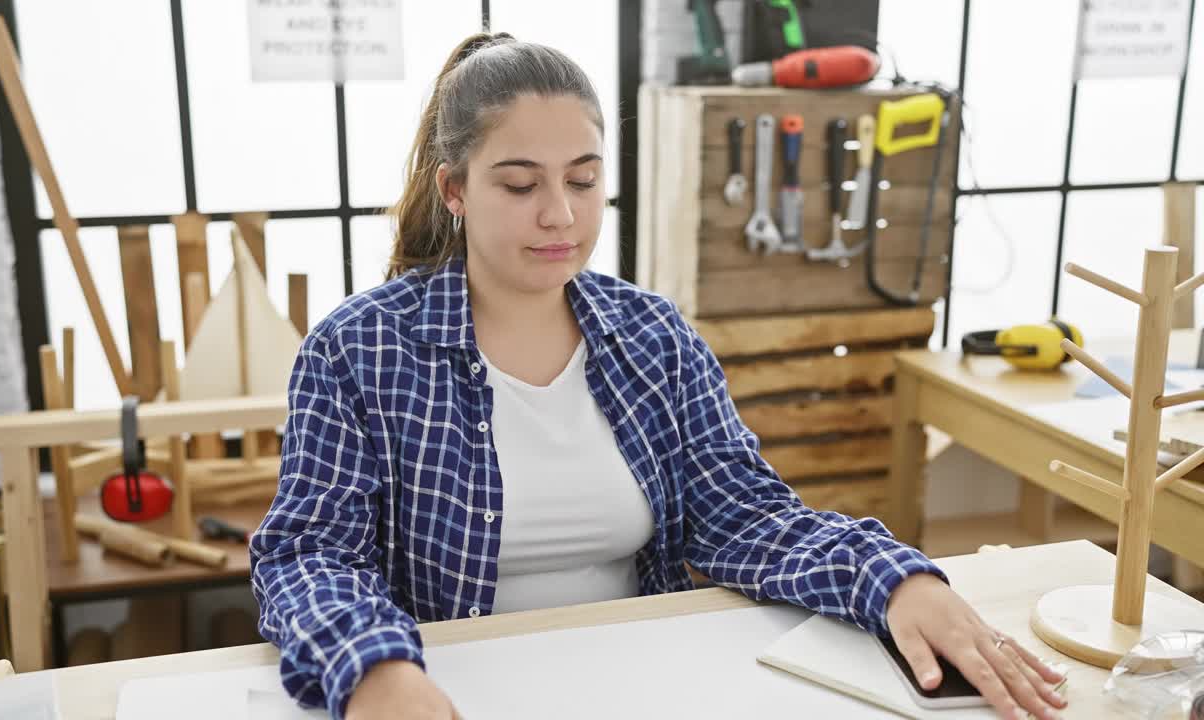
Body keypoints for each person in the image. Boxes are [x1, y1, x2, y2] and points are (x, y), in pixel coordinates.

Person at [249, 32, 1068, 720]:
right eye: (520, 183)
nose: (560, 216)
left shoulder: (653, 335)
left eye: (582, 179)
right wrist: (374, 670)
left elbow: (744, 516)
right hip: (446, 691)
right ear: (455, 189)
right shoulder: (357, 350)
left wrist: (892, 581)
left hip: (644, 684)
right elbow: (307, 556)